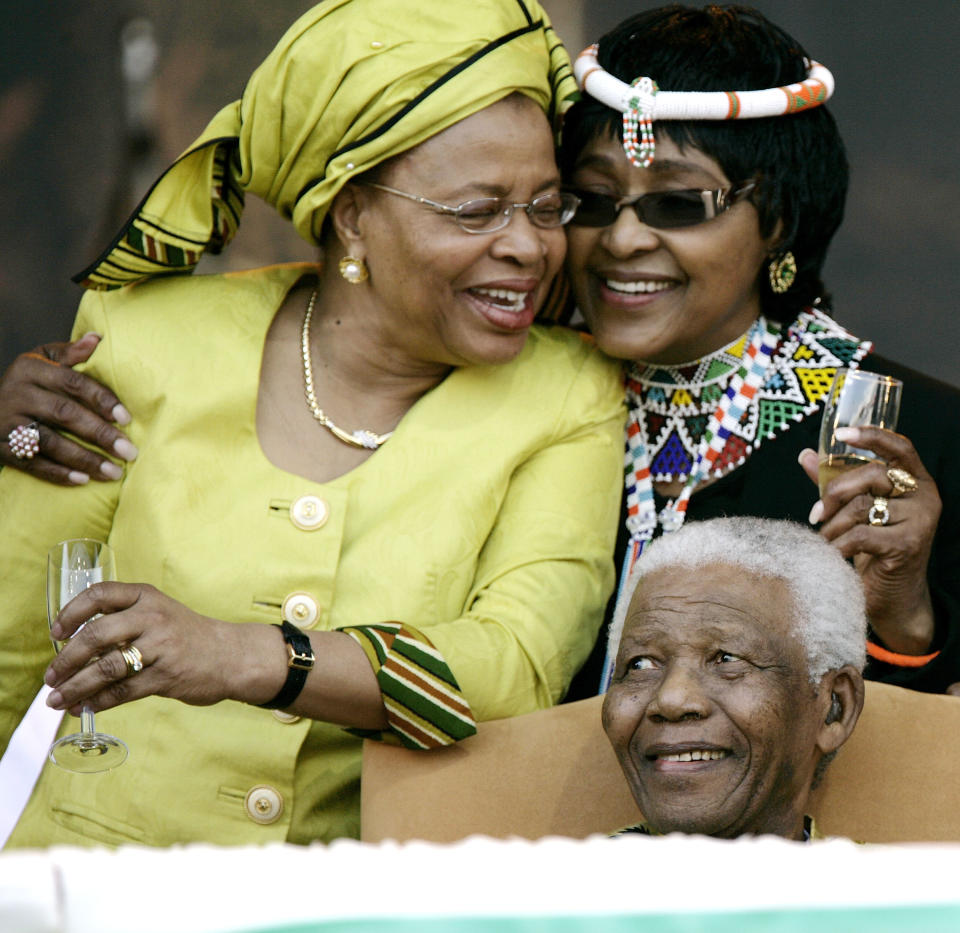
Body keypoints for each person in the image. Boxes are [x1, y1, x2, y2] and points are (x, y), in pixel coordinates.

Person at [5, 4, 960, 697]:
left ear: (780, 221)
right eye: (584, 201)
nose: (620, 240)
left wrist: (908, 615)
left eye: (678, 203)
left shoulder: (911, 435)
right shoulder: (500, 370)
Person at [0, 0, 626, 849]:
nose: (529, 247)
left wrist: (249, 654)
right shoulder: (145, 336)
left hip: (351, 902)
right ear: (351, 212)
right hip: (83, 884)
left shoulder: (566, 395)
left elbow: (513, 671)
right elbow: (13, 645)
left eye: (546, 208)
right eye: (478, 211)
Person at [604, 516, 865, 840]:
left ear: (833, 708)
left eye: (726, 659)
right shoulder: (550, 888)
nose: (671, 699)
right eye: (641, 664)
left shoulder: (892, 889)